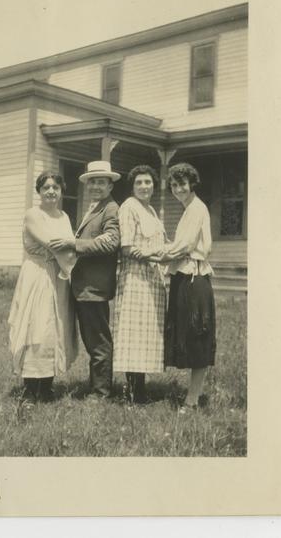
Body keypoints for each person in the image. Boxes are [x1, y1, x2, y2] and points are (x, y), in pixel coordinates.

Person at [50, 160, 120, 399]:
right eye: (93, 183)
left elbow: (111, 241)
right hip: (83, 285)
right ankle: (97, 386)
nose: (96, 187)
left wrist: (73, 244)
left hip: (95, 286)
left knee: (98, 341)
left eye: (101, 182)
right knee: (92, 339)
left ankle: (101, 392)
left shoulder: (110, 209)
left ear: (110, 186)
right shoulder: (94, 208)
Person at [8, 172, 78, 404]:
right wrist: (71, 247)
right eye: (46, 187)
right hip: (37, 274)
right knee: (35, 326)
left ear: (61, 190)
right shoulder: (33, 215)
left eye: (55, 187)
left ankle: (46, 386)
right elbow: (54, 244)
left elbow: (66, 245)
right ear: (39, 191)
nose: (51, 191)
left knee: (55, 328)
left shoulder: (64, 216)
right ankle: (30, 388)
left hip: (58, 277)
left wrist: (69, 247)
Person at [153, 162, 216, 410]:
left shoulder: (196, 208)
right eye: (174, 185)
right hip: (184, 276)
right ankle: (192, 395)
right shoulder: (188, 209)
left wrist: (156, 254)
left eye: (182, 184)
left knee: (197, 334)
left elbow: (185, 246)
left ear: (192, 184)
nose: (178, 189)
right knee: (187, 334)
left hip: (194, 278)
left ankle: (192, 399)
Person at [112, 165, 167, 403]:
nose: (144, 187)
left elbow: (162, 243)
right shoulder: (129, 207)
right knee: (133, 333)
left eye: (148, 182)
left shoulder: (152, 210)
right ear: (132, 187)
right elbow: (126, 248)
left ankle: (140, 389)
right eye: (139, 183)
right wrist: (155, 256)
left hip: (152, 279)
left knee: (147, 334)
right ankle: (133, 391)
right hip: (135, 278)